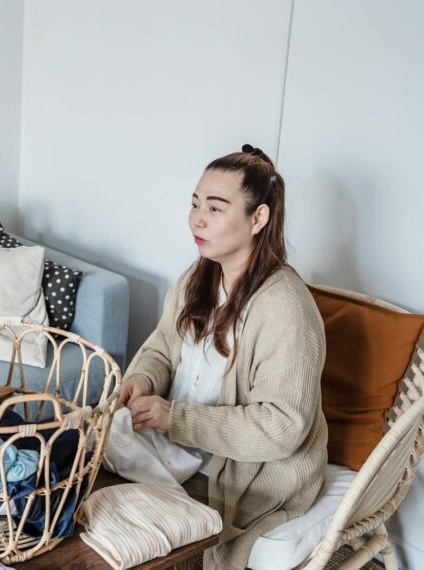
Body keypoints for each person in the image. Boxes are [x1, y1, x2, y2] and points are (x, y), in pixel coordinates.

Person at [117, 144, 328, 569]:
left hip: (241, 474)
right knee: (77, 466)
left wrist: (173, 418)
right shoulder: (198, 276)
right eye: (194, 204)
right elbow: (161, 346)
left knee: (137, 536)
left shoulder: (286, 308)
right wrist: (141, 380)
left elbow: (284, 426)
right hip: (178, 448)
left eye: (215, 208)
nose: (197, 219)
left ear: (258, 218)